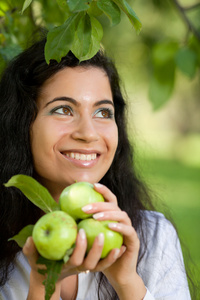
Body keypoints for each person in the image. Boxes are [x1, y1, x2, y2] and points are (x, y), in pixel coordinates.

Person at [0, 36, 191, 300]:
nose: (88, 134)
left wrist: (127, 283)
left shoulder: (154, 238)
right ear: (21, 124)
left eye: (103, 113)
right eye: (64, 109)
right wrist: (44, 285)